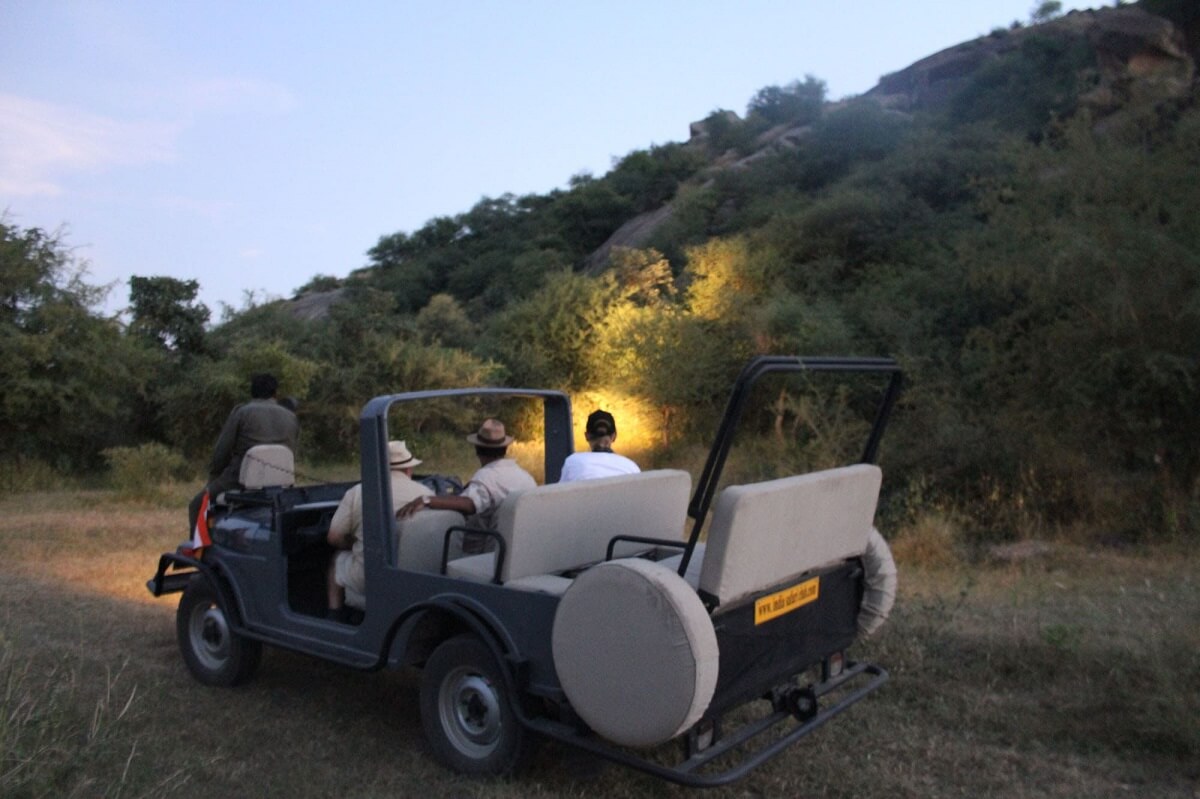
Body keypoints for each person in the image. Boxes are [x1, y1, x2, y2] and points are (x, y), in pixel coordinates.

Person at [326, 440, 432, 615]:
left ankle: (334, 616)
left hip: (373, 575)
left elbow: (333, 537)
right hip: (415, 574)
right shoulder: (426, 493)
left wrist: (353, 543)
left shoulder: (358, 492)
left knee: (338, 561)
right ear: (408, 470)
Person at [397, 418, 536, 550]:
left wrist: (426, 500)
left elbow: (469, 504)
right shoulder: (525, 477)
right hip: (516, 549)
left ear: (477, 449)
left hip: (479, 553)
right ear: (505, 448)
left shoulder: (486, 478)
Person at [188, 373, 300, 535]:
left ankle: (198, 551)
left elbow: (222, 452)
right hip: (281, 483)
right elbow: (292, 452)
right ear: (275, 394)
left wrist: (215, 476)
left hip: (238, 480)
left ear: (252, 392)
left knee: (197, 504)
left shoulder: (242, 413)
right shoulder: (291, 417)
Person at [559, 409, 640, 482]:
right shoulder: (631, 467)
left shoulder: (573, 461)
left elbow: (561, 494)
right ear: (614, 436)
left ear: (587, 436)